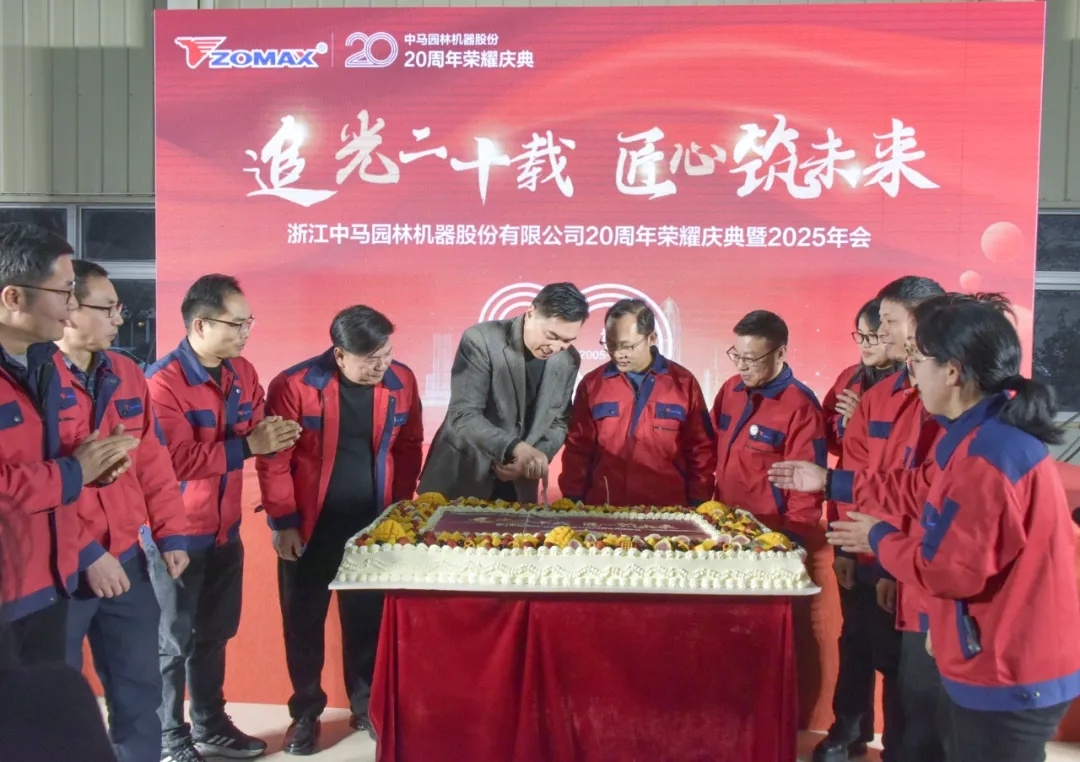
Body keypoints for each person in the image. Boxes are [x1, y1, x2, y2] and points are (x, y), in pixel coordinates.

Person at [825, 294, 1080, 762]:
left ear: (952, 371)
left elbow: (948, 571)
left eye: (917, 359)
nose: (911, 373)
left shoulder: (987, 456)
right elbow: (921, 490)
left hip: (1009, 667)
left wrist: (877, 537)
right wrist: (831, 482)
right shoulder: (975, 437)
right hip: (997, 651)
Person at [145, 274, 301, 762]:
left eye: (249, 322)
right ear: (200, 324)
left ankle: (210, 724)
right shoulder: (162, 382)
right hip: (175, 536)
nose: (245, 332)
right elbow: (172, 461)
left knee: (213, 635)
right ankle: (168, 736)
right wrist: (249, 445)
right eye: (236, 324)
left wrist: (275, 434)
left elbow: (257, 430)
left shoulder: (243, 372)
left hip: (224, 531)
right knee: (172, 643)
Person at [256, 305, 423, 755]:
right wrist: (283, 522)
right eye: (370, 359)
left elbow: (409, 447)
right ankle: (306, 713)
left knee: (367, 620)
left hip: (372, 528)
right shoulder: (295, 385)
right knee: (303, 621)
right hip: (309, 529)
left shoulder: (401, 381)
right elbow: (274, 461)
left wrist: (398, 512)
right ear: (340, 354)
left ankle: (366, 707)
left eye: (386, 354)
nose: (381, 366)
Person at [59, 261, 191, 762]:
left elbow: (152, 460)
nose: (119, 318)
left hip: (128, 561)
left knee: (140, 692)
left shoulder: (127, 372)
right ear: (69, 308)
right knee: (57, 700)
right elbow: (28, 489)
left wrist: (171, 533)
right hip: (60, 569)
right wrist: (86, 554)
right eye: (108, 308)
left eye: (120, 308)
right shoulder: (33, 379)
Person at [0, 222, 138, 668]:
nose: (71, 306)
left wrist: (95, 470)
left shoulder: (44, 366)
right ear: (13, 297)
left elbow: (56, 460)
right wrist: (75, 472)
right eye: (63, 293)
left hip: (47, 587)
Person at [814, 298, 902, 762]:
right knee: (854, 638)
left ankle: (899, 742)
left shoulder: (914, 390)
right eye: (861, 336)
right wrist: (847, 422)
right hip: (849, 522)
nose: (866, 345)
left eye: (875, 335)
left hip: (892, 532)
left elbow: (896, 471)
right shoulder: (849, 379)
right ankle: (849, 730)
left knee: (893, 648)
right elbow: (835, 445)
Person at [418, 282, 589, 502]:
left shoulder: (569, 360)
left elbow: (559, 422)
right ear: (531, 313)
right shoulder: (481, 340)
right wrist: (515, 448)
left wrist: (533, 458)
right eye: (551, 336)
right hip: (461, 476)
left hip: (519, 487)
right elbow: (463, 415)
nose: (556, 347)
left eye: (567, 341)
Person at [559, 298, 715, 506]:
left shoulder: (683, 383)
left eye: (627, 346)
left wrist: (698, 503)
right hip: (604, 508)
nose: (618, 354)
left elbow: (700, 449)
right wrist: (572, 499)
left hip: (667, 510)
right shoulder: (592, 385)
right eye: (611, 344)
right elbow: (578, 449)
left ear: (651, 338)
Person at [710, 309, 826, 537]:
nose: (741, 366)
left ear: (780, 353)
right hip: (722, 524)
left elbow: (807, 489)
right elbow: (707, 447)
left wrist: (792, 539)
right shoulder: (731, 390)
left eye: (751, 359)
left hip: (769, 534)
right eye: (737, 356)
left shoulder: (801, 407)